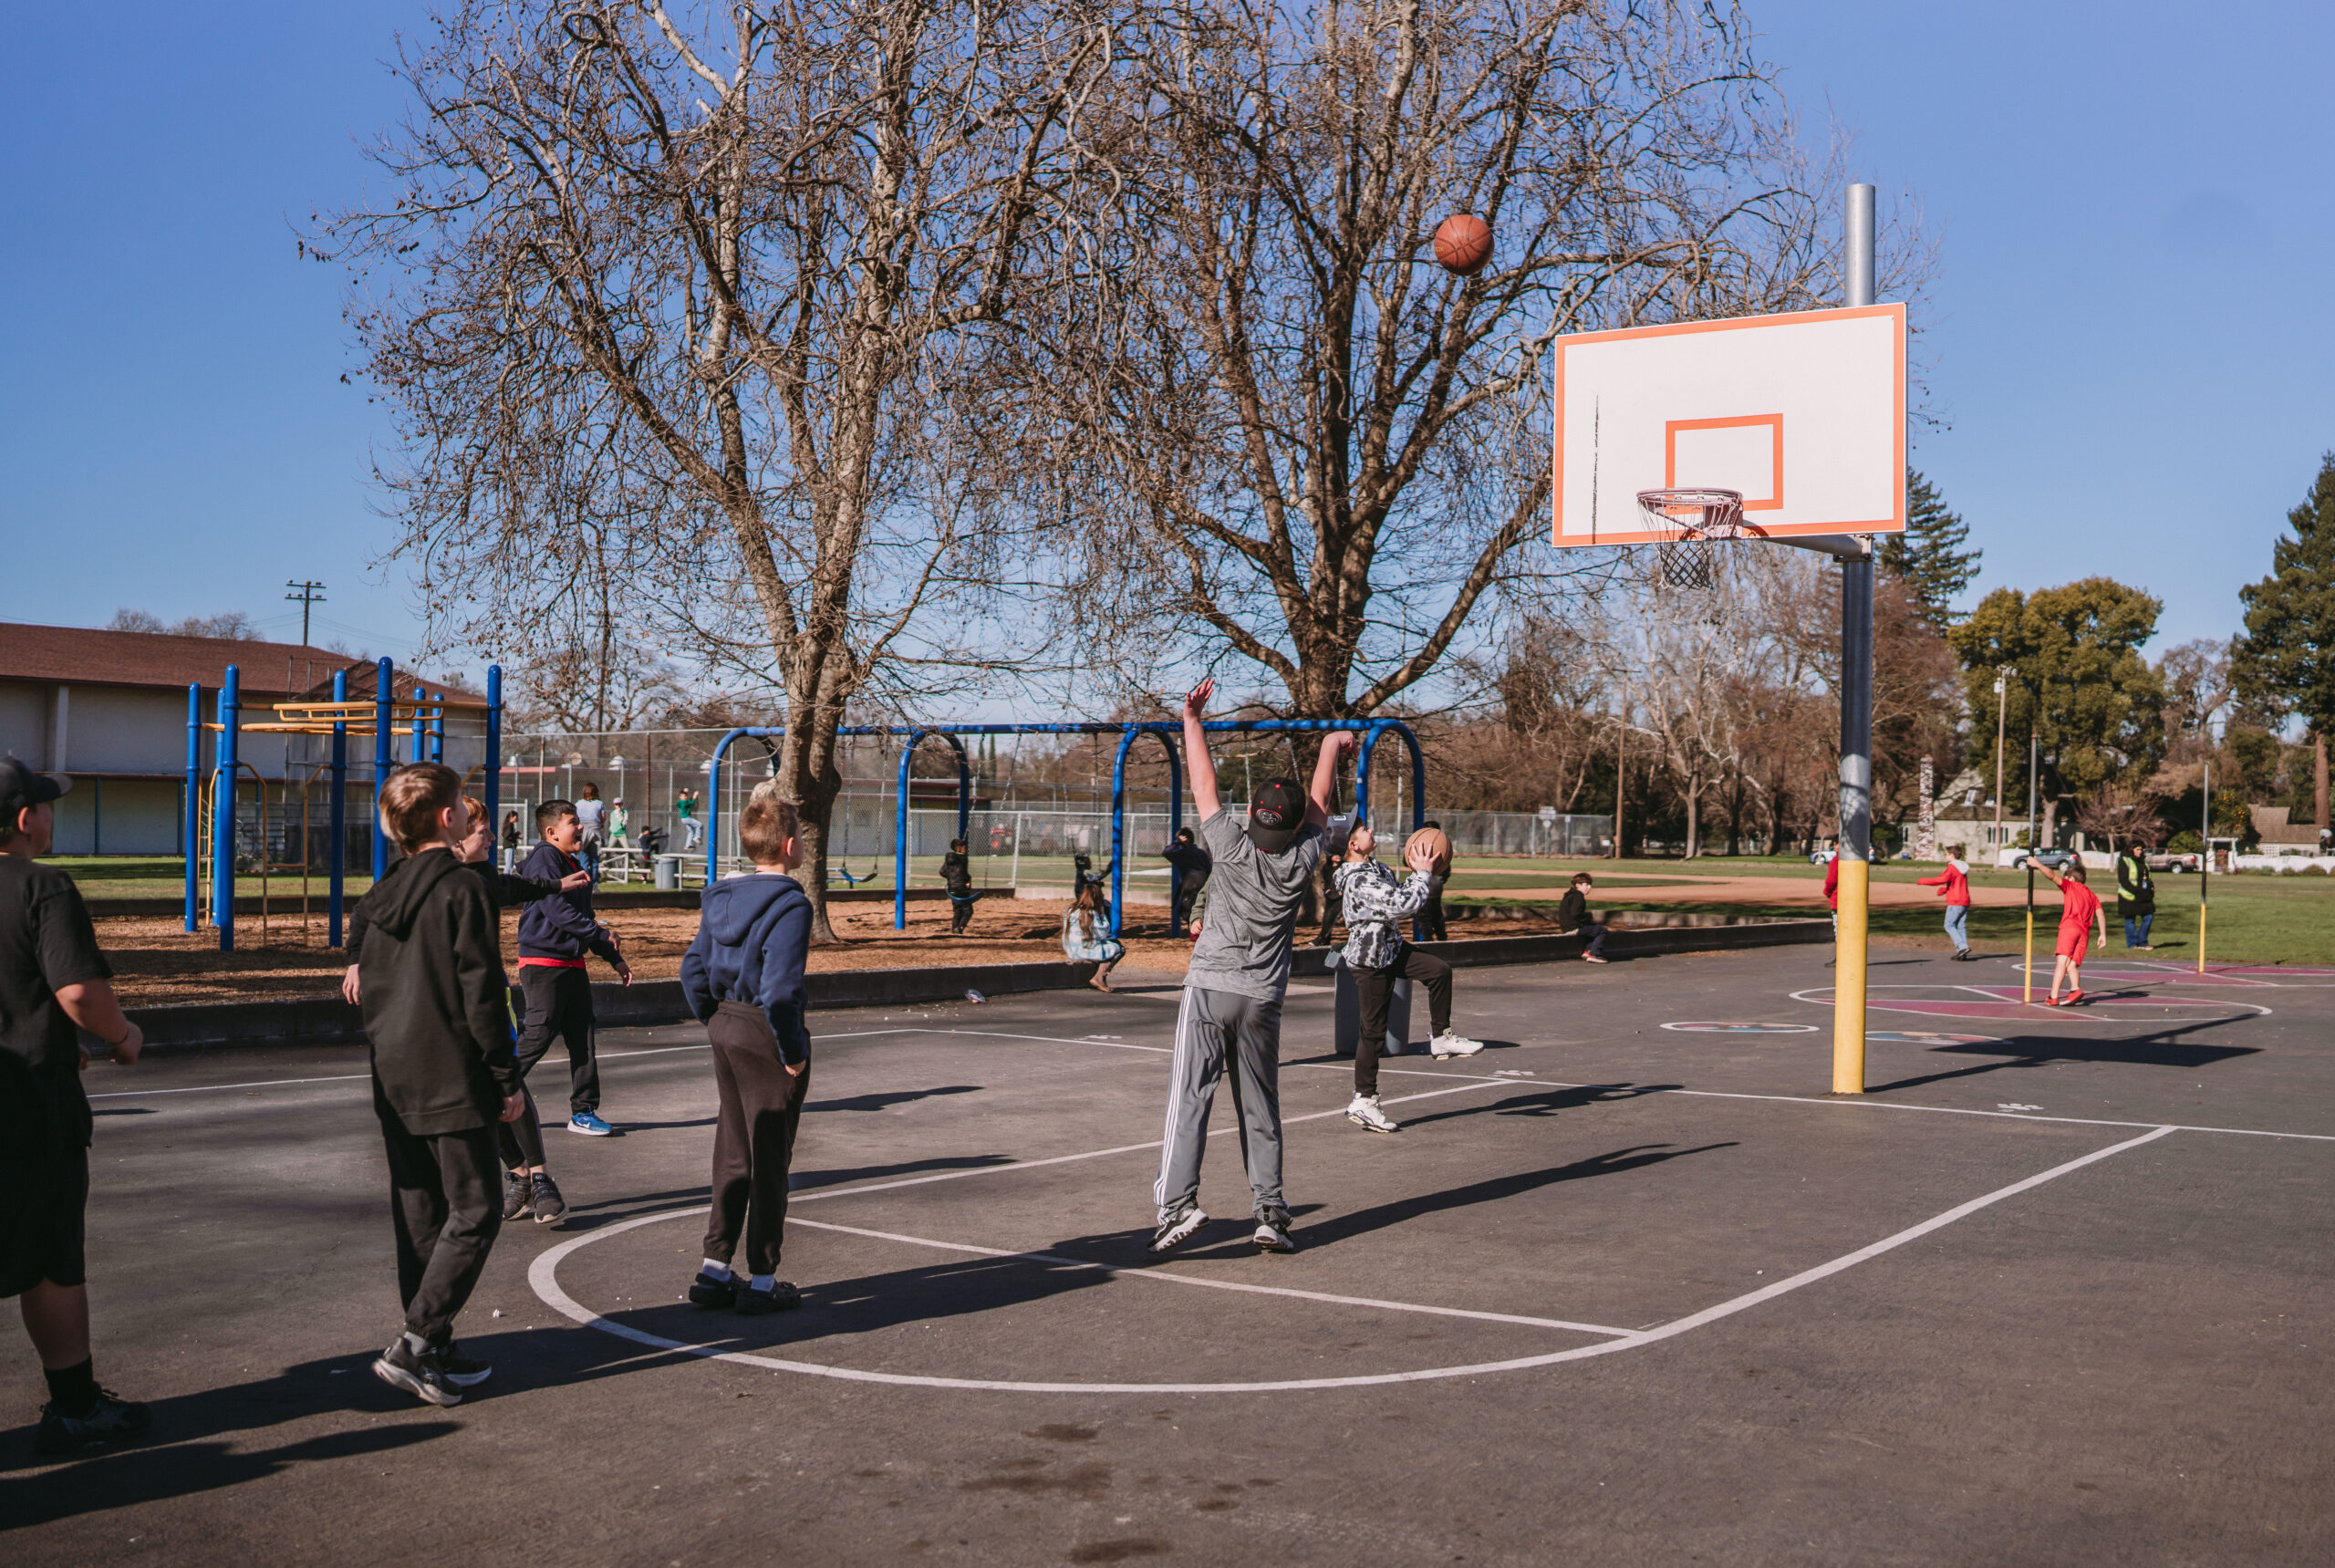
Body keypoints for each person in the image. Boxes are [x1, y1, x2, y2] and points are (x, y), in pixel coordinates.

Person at [354, 763, 527, 1407]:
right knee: (478, 1206)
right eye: (459, 805)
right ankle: (418, 1339)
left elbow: (370, 982)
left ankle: (433, 1341)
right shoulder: (461, 888)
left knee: (422, 1213)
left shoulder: (383, 890)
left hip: (394, 1071)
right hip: (448, 1070)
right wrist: (505, 1076)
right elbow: (481, 990)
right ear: (445, 817)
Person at [1152, 678, 1343, 1257]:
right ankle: (1271, 1213)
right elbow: (1319, 805)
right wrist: (1333, 744)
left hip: (1210, 989)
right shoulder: (1301, 860)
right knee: (1260, 1106)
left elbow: (1204, 782)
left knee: (1190, 1099)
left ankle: (1176, 1207)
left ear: (1256, 817)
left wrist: (1191, 719)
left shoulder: (1230, 846)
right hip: (1262, 997)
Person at [343, 797, 592, 1227]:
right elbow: (366, 910)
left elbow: (516, 887)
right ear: (456, 833)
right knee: (474, 1093)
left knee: (505, 1079)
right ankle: (518, 1175)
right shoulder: (414, 874)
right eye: (484, 831)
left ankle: (540, 1176)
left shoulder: (479, 877)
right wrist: (355, 961)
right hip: (436, 1007)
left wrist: (557, 886)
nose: (493, 838)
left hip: (485, 995)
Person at [0, 760, 150, 1455]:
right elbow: (78, 993)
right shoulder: (42, 887)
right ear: (25, 818)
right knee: (50, 1258)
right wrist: (121, 1037)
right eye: (46, 806)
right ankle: (75, 1405)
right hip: (28, 1104)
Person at [680, 794, 814, 1315]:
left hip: (728, 1023)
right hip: (764, 1028)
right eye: (800, 836)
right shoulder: (791, 904)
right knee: (770, 1157)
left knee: (733, 1148)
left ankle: (714, 1269)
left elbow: (692, 970)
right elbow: (781, 990)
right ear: (788, 845)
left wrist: (714, 1019)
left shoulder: (719, 897)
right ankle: (762, 1278)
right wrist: (793, 1051)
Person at [1334, 820, 1483, 1134]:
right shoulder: (1358, 879)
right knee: (1373, 1033)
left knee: (1439, 971)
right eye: (1363, 830)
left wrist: (1420, 869)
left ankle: (1441, 1038)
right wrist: (1423, 874)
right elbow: (1403, 905)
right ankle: (1364, 1100)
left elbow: (1402, 894)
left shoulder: (1378, 869)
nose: (1370, 830)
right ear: (1353, 845)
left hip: (1391, 949)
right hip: (1370, 960)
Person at [516, 799, 633, 1137]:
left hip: (572, 964)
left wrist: (614, 959)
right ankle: (491, 1091)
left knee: (583, 1040)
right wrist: (598, 932)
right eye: (573, 822)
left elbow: (585, 921)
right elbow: (557, 911)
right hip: (543, 965)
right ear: (552, 832)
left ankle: (583, 1112)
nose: (581, 827)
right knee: (538, 1036)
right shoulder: (544, 859)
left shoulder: (570, 861)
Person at [2035, 857, 2106, 1007]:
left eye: (2066, 878)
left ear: (2072, 879)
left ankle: (2053, 996)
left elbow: (2052, 876)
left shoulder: (2070, 886)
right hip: (2084, 933)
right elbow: (2100, 913)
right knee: (2071, 965)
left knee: (2061, 962)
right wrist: (2102, 934)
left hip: (2070, 927)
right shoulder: (2092, 895)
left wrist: (2037, 865)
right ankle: (2075, 989)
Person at [1062, 879, 1126, 992]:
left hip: (1071, 949)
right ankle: (1100, 977)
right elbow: (1103, 933)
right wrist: (1103, 914)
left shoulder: (1071, 910)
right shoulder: (1091, 913)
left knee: (1106, 946)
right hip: (1085, 950)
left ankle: (1099, 975)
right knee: (1119, 948)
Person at [1917, 846, 1975, 961]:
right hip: (1964, 900)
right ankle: (1962, 953)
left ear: (1952, 856)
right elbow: (1956, 882)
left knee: (1948, 925)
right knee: (1960, 926)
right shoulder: (1962, 867)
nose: (1946, 856)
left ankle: (1962, 947)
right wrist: (1946, 890)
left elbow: (1941, 879)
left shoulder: (1953, 867)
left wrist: (1923, 881)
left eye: (1947, 854)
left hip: (1956, 901)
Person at [1160, 826, 1210, 933]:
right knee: (1203, 910)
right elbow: (1209, 869)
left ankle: (1195, 933)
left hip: (1190, 885)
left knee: (1188, 912)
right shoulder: (1201, 852)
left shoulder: (1183, 853)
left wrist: (1177, 842)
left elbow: (1166, 852)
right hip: (1204, 883)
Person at [1557, 871, 1611, 963]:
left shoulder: (1569, 895)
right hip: (1573, 927)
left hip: (1566, 926)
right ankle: (1594, 954)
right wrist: (1588, 916)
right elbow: (1576, 914)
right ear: (1578, 885)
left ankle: (1588, 951)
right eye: (1587, 885)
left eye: (1590, 885)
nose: (1589, 887)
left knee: (1593, 928)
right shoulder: (1578, 896)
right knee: (1602, 930)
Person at [2115, 843, 2156, 950]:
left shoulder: (2143, 862)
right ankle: (2132, 943)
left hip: (2144, 895)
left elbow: (2147, 878)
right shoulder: (2125, 861)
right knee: (2130, 919)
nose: (2140, 852)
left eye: (2141, 849)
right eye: (2137, 849)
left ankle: (2143, 942)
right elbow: (2123, 880)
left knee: (2148, 916)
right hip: (2129, 896)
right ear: (2131, 849)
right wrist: (2137, 891)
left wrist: (2151, 888)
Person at [1417, 819, 1449, 942]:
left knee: (1424, 916)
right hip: (1437, 885)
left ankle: (1427, 940)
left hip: (1425, 885)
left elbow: (1407, 860)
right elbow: (1447, 869)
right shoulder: (1443, 846)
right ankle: (1442, 937)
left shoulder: (1421, 846)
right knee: (1437, 913)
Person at [940, 837, 979, 934]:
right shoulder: (964, 859)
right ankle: (960, 928)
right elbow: (964, 874)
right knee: (968, 911)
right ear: (958, 849)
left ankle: (954, 929)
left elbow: (942, 872)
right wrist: (968, 882)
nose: (966, 850)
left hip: (952, 888)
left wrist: (951, 878)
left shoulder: (948, 858)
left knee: (957, 909)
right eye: (964, 848)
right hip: (962, 888)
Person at [574, 782, 607, 878]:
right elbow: (603, 817)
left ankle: (585, 883)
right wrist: (601, 825)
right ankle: (594, 884)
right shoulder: (600, 804)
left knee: (584, 859)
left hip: (583, 831)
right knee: (595, 860)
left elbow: (575, 817)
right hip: (595, 831)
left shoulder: (578, 804)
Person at [677, 787, 702, 853]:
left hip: (683, 819)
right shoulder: (684, 802)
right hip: (687, 818)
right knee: (699, 824)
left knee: (691, 831)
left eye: (685, 796)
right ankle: (697, 837)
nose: (685, 797)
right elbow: (692, 803)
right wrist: (694, 796)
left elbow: (680, 800)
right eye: (683, 796)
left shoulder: (679, 802)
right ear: (680, 797)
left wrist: (684, 792)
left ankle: (688, 845)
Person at [500, 808, 522, 874]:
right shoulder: (509, 825)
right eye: (516, 817)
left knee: (510, 865)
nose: (517, 818)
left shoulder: (509, 825)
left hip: (509, 846)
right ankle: (506, 877)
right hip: (509, 846)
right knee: (509, 865)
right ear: (512, 817)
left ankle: (508, 877)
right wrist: (517, 836)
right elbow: (508, 836)